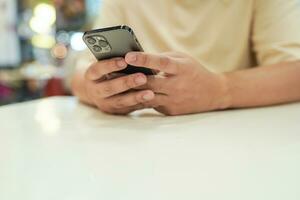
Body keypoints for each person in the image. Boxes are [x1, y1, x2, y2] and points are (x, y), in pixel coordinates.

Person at [71, 0, 300, 115]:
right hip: (139, 144)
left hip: (237, 139)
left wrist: (220, 90)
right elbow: (80, 76)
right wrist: (97, 90)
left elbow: (294, 74)